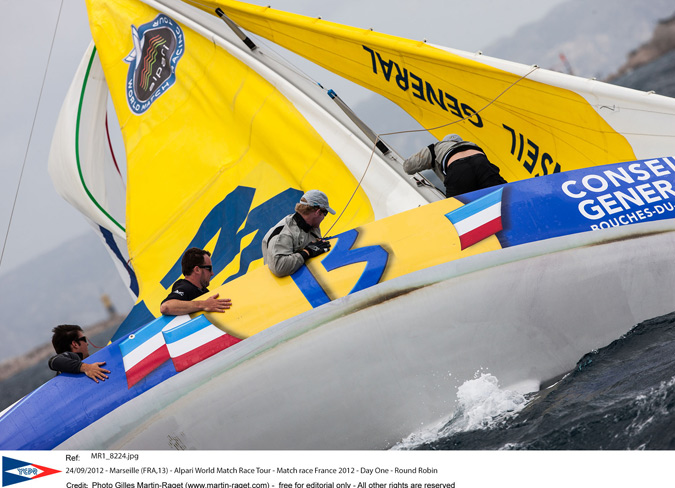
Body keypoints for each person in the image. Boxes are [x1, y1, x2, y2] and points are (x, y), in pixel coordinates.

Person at [403, 133, 507, 198]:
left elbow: (408, 167)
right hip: (481, 161)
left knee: (457, 206)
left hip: (458, 167)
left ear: (444, 142)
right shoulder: (471, 144)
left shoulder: (435, 147)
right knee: (504, 196)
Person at [262, 190, 335, 277]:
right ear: (318, 212)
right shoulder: (284, 233)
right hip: (283, 286)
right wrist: (307, 252)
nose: (323, 218)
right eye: (325, 213)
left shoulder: (312, 226)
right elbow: (278, 268)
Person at [160, 247, 233, 315]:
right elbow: (165, 307)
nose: (212, 273)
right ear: (197, 270)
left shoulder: (202, 291)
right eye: (209, 268)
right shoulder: (185, 287)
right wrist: (204, 304)